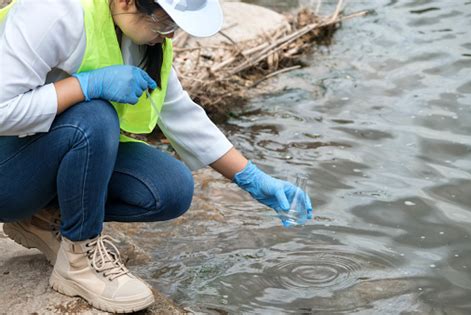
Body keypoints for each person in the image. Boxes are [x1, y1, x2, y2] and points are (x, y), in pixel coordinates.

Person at [0, 0, 313, 312]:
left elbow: (182, 115)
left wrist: (253, 179)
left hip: (46, 152)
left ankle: (40, 219)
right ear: (126, 1)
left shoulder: (143, 38)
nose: (172, 36)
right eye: (166, 25)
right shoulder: (55, 12)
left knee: (170, 187)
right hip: (7, 170)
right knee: (95, 117)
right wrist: (85, 86)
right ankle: (79, 262)